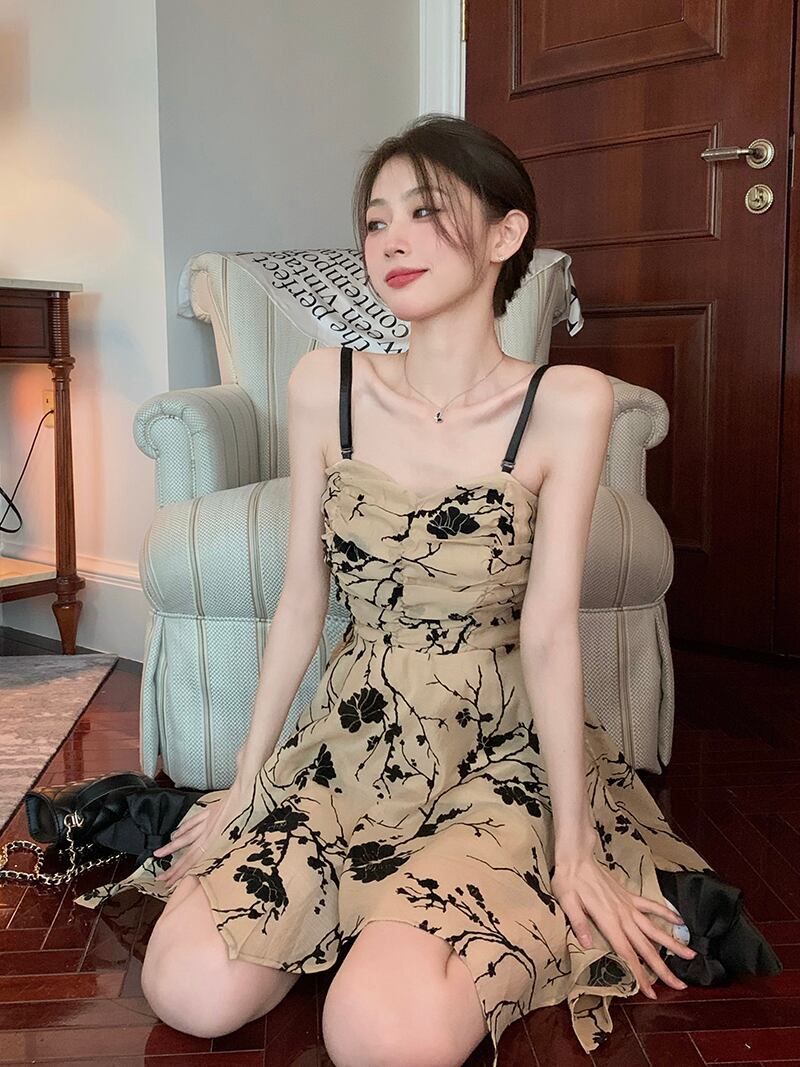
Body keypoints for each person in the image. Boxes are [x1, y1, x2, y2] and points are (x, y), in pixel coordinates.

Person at [73, 114, 778, 1067]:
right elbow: (302, 601)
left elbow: (549, 632)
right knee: (187, 989)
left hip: (499, 742)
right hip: (356, 733)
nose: (391, 240)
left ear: (505, 234)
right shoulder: (326, 385)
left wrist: (575, 846)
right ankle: (372, 914)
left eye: (426, 212)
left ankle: (414, 925)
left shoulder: (567, 403)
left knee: (379, 1036)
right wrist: (247, 779)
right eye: (375, 220)